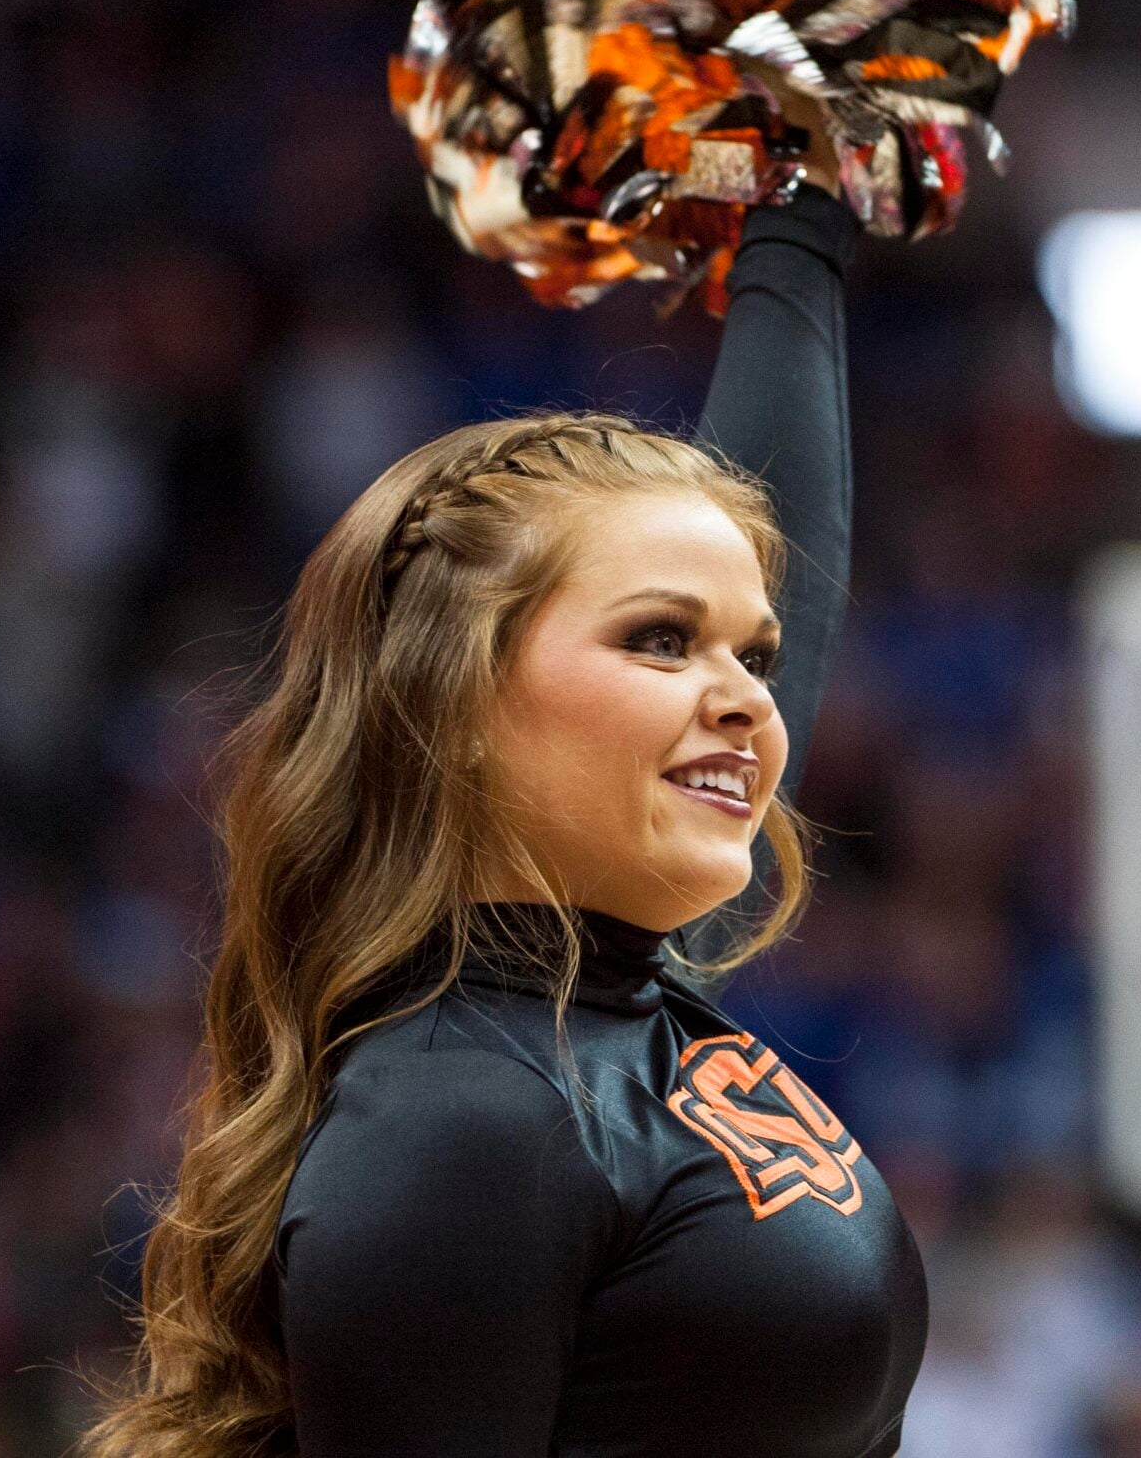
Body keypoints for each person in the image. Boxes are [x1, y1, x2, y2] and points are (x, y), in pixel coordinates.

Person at [89, 109, 925, 1457]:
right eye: (662, 638)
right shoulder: (463, 1118)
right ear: (461, 704)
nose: (748, 696)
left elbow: (788, 539)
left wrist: (800, 196)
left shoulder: (599, 1009)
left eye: (750, 653)